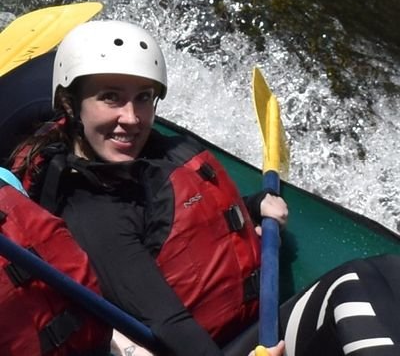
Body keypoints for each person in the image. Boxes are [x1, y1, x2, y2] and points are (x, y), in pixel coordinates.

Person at [7, 21, 400, 356]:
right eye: (110, 97)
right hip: (218, 347)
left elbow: (186, 221)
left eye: (143, 98)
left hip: (246, 327)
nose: (130, 118)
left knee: (389, 272)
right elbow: (166, 321)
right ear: (72, 104)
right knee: (354, 282)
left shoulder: (154, 155)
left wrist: (252, 205)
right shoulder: (91, 210)